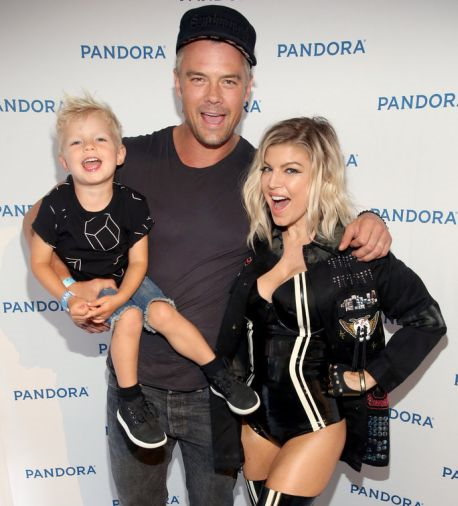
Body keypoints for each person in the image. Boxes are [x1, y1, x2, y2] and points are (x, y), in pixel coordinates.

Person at [23, 6, 392, 506]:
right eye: (198, 79)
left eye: (229, 81)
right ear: (177, 83)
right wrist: (73, 288)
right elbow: (37, 221)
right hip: (135, 389)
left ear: (248, 88)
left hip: (219, 394)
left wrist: (368, 219)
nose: (214, 97)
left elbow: (320, 214)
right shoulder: (125, 158)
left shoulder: (263, 174)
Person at [215, 117, 446, 505]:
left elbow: (427, 320)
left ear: (322, 178)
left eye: (291, 170)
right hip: (254, 420)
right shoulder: (259, 244)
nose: (273, 182)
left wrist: (370, 376)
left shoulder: (355, 253)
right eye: (268, 168)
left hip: (315, 424)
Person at [29, 94, 260, 450]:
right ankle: (130, 399)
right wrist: (70, 295)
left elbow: (138, 263)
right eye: (77, 142)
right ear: (63, 161)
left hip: (131, 280)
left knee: (164, 313)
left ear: (120, 154)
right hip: (92, 288)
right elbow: (40, 262)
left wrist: (122, 295)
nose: (89, 146)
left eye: (100, 139)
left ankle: (219, 375)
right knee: (131, 319)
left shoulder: (133, 202)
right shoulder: (57, 206)